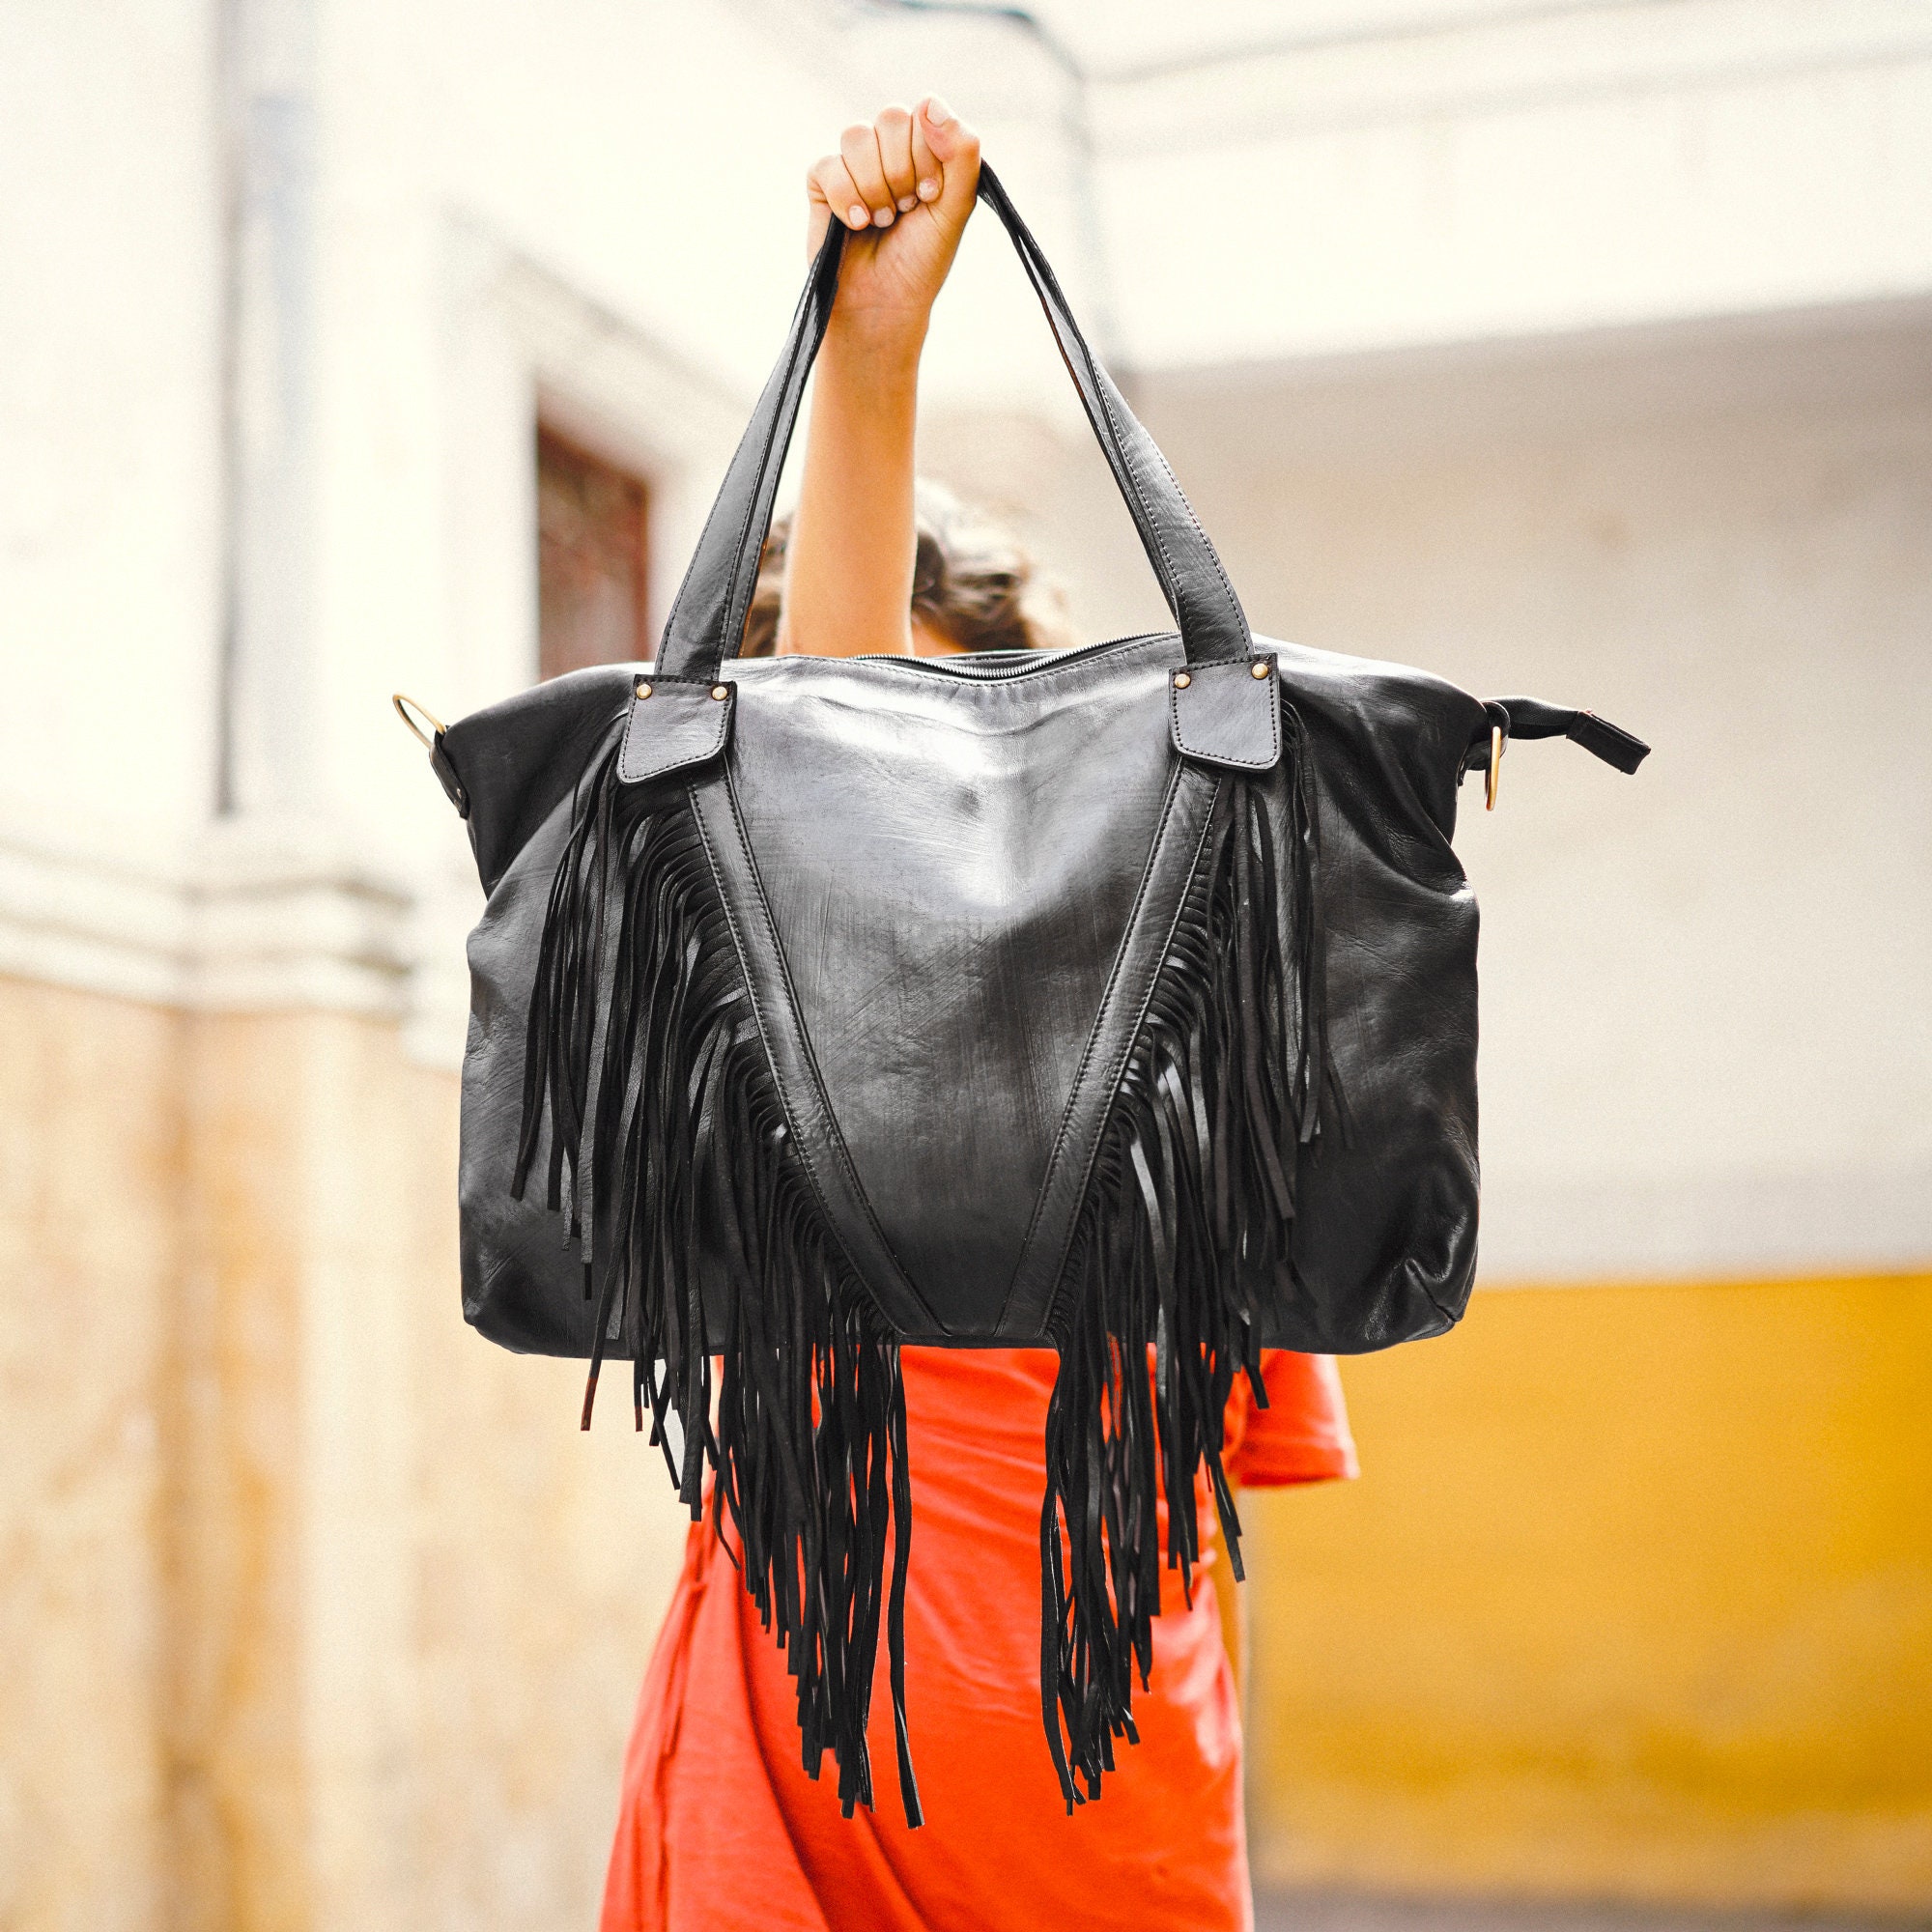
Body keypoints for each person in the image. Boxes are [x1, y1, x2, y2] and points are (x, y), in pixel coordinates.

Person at [600, 99, 1358, 1932]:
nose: (882, 846)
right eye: (821, 786)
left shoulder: (1186, 1060)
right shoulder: (760, 1044)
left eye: (948, 765)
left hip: (1111, 1820)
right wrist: (870, 367)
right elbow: (826, 746)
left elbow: (1215, 1509)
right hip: (789, 1809)